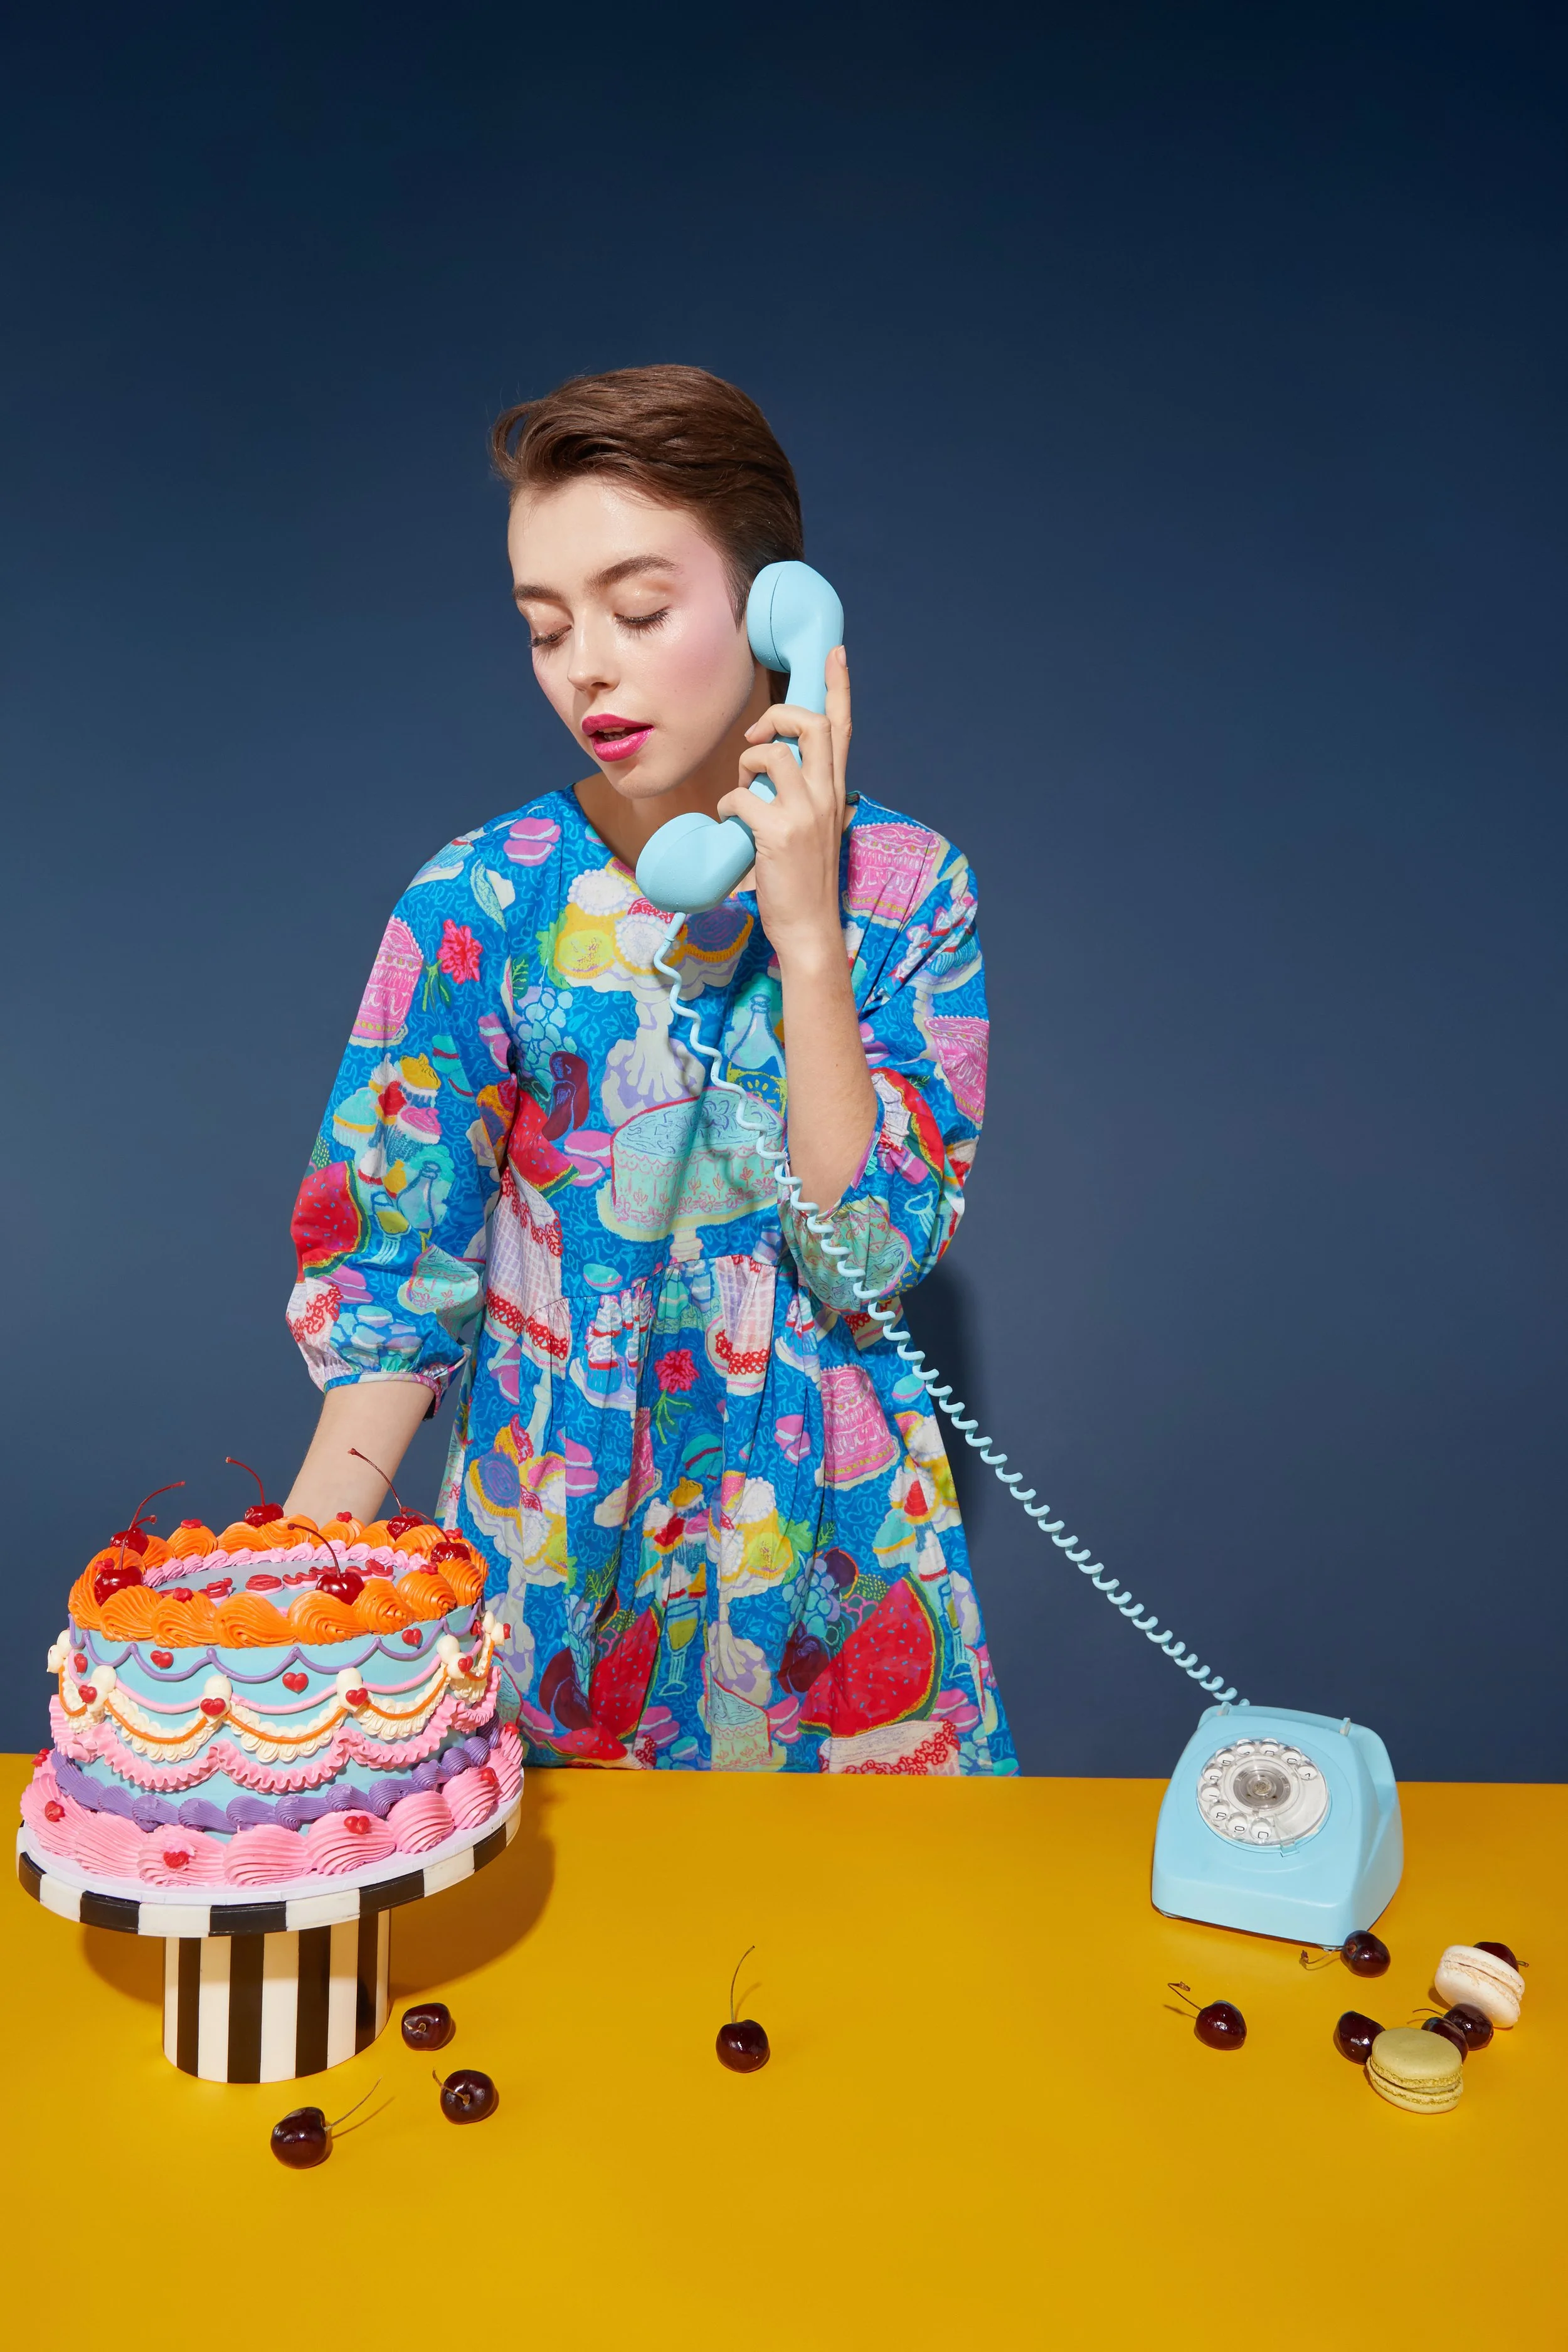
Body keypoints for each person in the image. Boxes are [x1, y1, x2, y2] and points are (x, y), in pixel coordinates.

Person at [283, 364, 1014, 1774]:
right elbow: (389, 1282)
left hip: (830, 1569)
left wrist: (806, 937)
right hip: (552, 1575)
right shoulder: (476, 904)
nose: (585, 671)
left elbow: (865, 1255)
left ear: (775, 612)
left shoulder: (911, 894)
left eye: (636, 611)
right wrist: (296, 1618)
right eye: (546, 629)